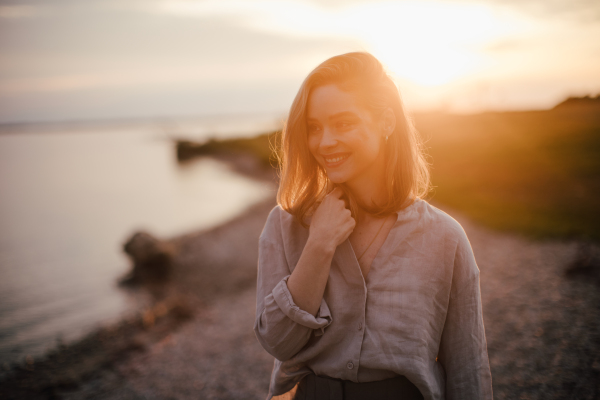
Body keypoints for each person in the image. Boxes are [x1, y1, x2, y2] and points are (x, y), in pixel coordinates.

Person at [254, 52, 493, 400]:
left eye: (343, 123)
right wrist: (319, 244)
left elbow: (468, 369)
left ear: (385, 122)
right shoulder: (285, 225)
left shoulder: (445, 238)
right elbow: (277, 341)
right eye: (314, 128)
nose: (324, 142)